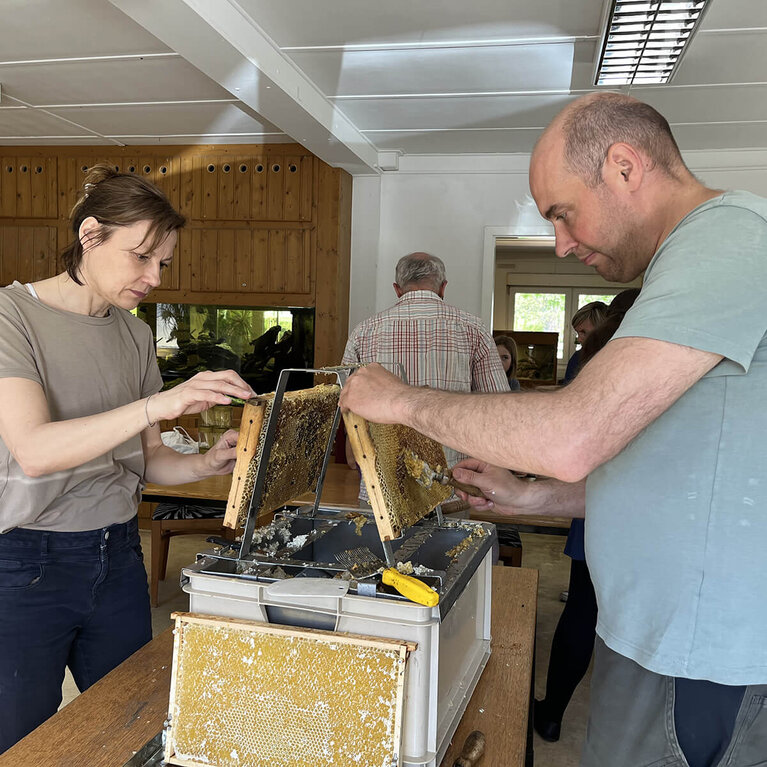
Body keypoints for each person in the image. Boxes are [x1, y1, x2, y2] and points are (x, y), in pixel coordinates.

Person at [340, 93, 767, 767]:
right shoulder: (691, 258)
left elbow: (574, 433)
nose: (561, 242)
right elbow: (682, 469)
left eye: (561, 212)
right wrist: (535, 498)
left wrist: (400, 400)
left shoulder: (728, 237)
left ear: (623, 166)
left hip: (702, 649)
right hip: (660, 635)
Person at [0, 165, 254, 753]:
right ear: (90, 235)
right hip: (25, 562)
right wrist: (157, 404)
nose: (153, 278)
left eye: (162, 263)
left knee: (137, 726)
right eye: (141, 257)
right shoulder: (12, 315)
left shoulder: (134, 336)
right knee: (21, 740)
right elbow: (35, 452)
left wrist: (206, 464)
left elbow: (149, 462)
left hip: (117, 554)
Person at [534, 288, 639, 743]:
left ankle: (553, 713)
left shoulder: (597, 359)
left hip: (596, 502)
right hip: (646, 519)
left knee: (582, 609)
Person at [341, 251, 508, 478]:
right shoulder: (473, 329)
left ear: (397, 289)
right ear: (442, 287)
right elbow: (497, 406)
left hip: (384, 483)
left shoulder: (364, 332)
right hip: (454, 479)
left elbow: (346, 401)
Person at [564, 301, 608, 383]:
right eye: (578, 333)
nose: (579, 339)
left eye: (583, 332)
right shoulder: (577, 358)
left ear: (602, 330)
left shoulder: (618, 358)